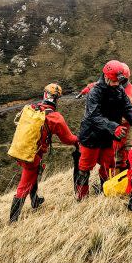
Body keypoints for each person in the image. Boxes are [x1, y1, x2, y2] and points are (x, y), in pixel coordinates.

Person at [9, 83, 79, 223]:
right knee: (24, 185)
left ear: (45, 94)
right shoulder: (55, 117)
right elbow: (68, 139)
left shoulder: (32, 108)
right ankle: (13, 220)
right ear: (57, 99)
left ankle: (35, 200)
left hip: (21, 149)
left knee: (33, 174)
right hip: (33, 156)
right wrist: (79, 140)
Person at [76, 60, 132, 201]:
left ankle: (105, 191)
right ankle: (82, 198)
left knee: (108, 166)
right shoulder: (95, 92)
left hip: (108, 136)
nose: (115, 84)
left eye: (117, 81)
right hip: (91, 136)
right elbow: (93, 116)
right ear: (105, 77)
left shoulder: (118, 89)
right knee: (84, 168)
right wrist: (114, 127)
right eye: (113, 81)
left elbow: (127, 107)